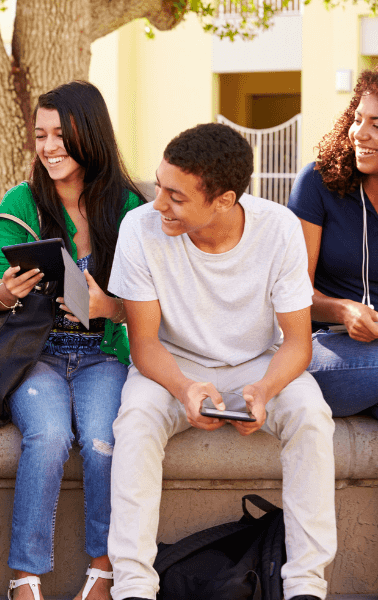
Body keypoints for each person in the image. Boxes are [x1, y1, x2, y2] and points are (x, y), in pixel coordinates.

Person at [106, 123, 336, 600]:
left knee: (312, 417)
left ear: (224, 201)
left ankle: (305, 586)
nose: (158, 204)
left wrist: (266, 391)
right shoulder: (141, 228)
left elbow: (298, 343)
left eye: (175, 196)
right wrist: (185, 388)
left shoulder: (279, 229)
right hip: (171, 362)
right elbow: (144, 342)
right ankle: (132, 586)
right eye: (159, 185)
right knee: (135, 420)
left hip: (259, 361)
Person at [0, 81, 143, 600]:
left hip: (103, 355)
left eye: (61, 135)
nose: (49, 147)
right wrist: (6, 291)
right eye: (41, 135)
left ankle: (102, 570)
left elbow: (148, 308)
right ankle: (25, 578)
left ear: (90, 135)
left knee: (102, 442)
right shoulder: (21, 200)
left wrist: (108, 307)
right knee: (49, 439)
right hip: (38, 354)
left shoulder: (128, 207)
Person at [288, 68, 378, 419]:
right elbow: (293, 292)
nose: (360, 133)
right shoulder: (317, 183)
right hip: (323, 346)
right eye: (358, 119)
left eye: (376, 124)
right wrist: (344, 309)